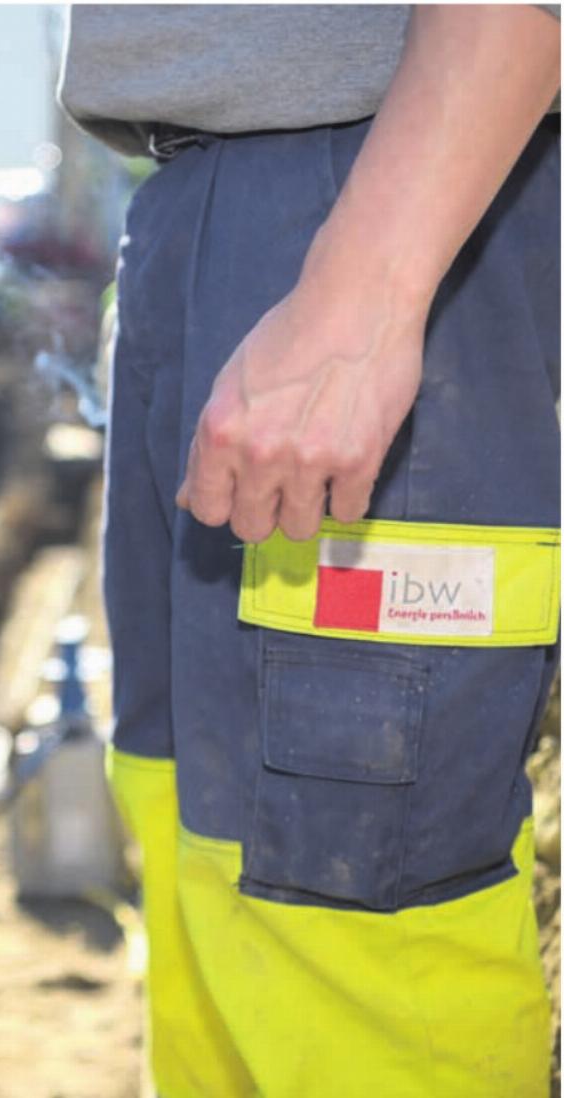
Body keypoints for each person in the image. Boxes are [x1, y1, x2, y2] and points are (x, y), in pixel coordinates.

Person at [59, 6, 560, 1096]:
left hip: (378, 208)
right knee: (187, 817)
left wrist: (371, 291)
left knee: (349, 901)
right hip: (201, 210)